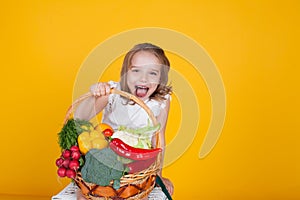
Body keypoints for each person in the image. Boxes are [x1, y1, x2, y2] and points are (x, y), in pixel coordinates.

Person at [74, 43, 174, 199]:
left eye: (152, 73)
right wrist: (95, 93)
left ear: (161, 78)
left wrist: (158, 174)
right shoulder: (113, 93)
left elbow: (159, 135)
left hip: (138, 167)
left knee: (140, 195)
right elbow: (81, 117)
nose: (143, 78)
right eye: (136, 71)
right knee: (86, 195)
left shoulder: (162, 100)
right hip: (106, 158)